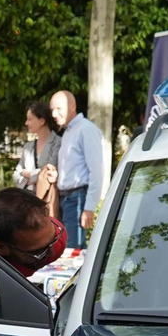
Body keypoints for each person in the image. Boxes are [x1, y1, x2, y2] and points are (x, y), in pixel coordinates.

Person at [51, 89, 108, 250]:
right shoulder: (69, 131)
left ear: (72, 106)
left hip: (77, 199)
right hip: (66, 199)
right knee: (67, 250)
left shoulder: (86, 129)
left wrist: (89, 207)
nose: (54, 114)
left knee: (72, 251)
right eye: (52, 109)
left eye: (58, 108)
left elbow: (96, 171)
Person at [13, 100, 61, 213]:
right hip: (26, 201)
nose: (26, 123)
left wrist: (27, 174)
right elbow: (15, 175)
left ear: (42, 121)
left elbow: (50, 172)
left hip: (47, 201)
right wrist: (37, 176)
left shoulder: (58, 143)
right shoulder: (28, 146)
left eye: (30, 119)